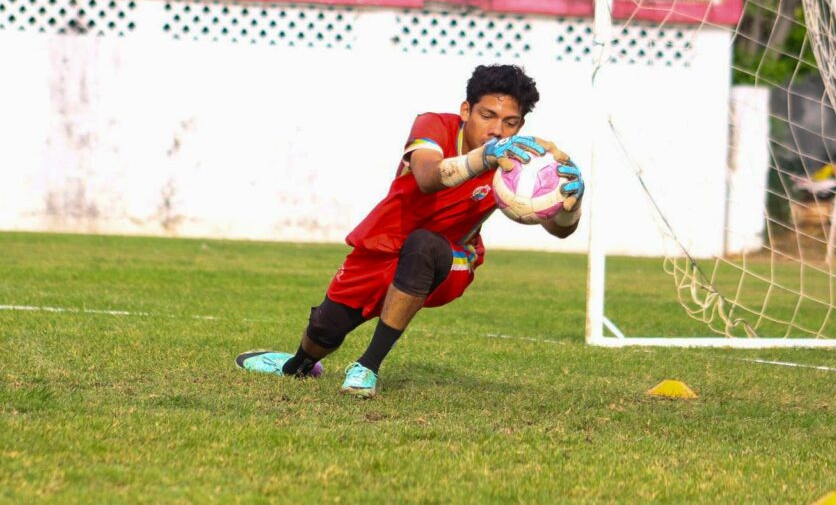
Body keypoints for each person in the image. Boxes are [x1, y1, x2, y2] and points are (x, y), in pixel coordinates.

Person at [237, 64, 584, 398]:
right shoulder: (434, 126)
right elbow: (427, 177)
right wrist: (485, 157)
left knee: (424, 246)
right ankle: (297, 365)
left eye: (510, 122)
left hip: (452, 258)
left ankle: (367, 366)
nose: (497, 130)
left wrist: (571, 204)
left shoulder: (517, 163)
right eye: (488, 116)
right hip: (384, 243)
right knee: (325, 326)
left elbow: (559, 230)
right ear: (466, 111)